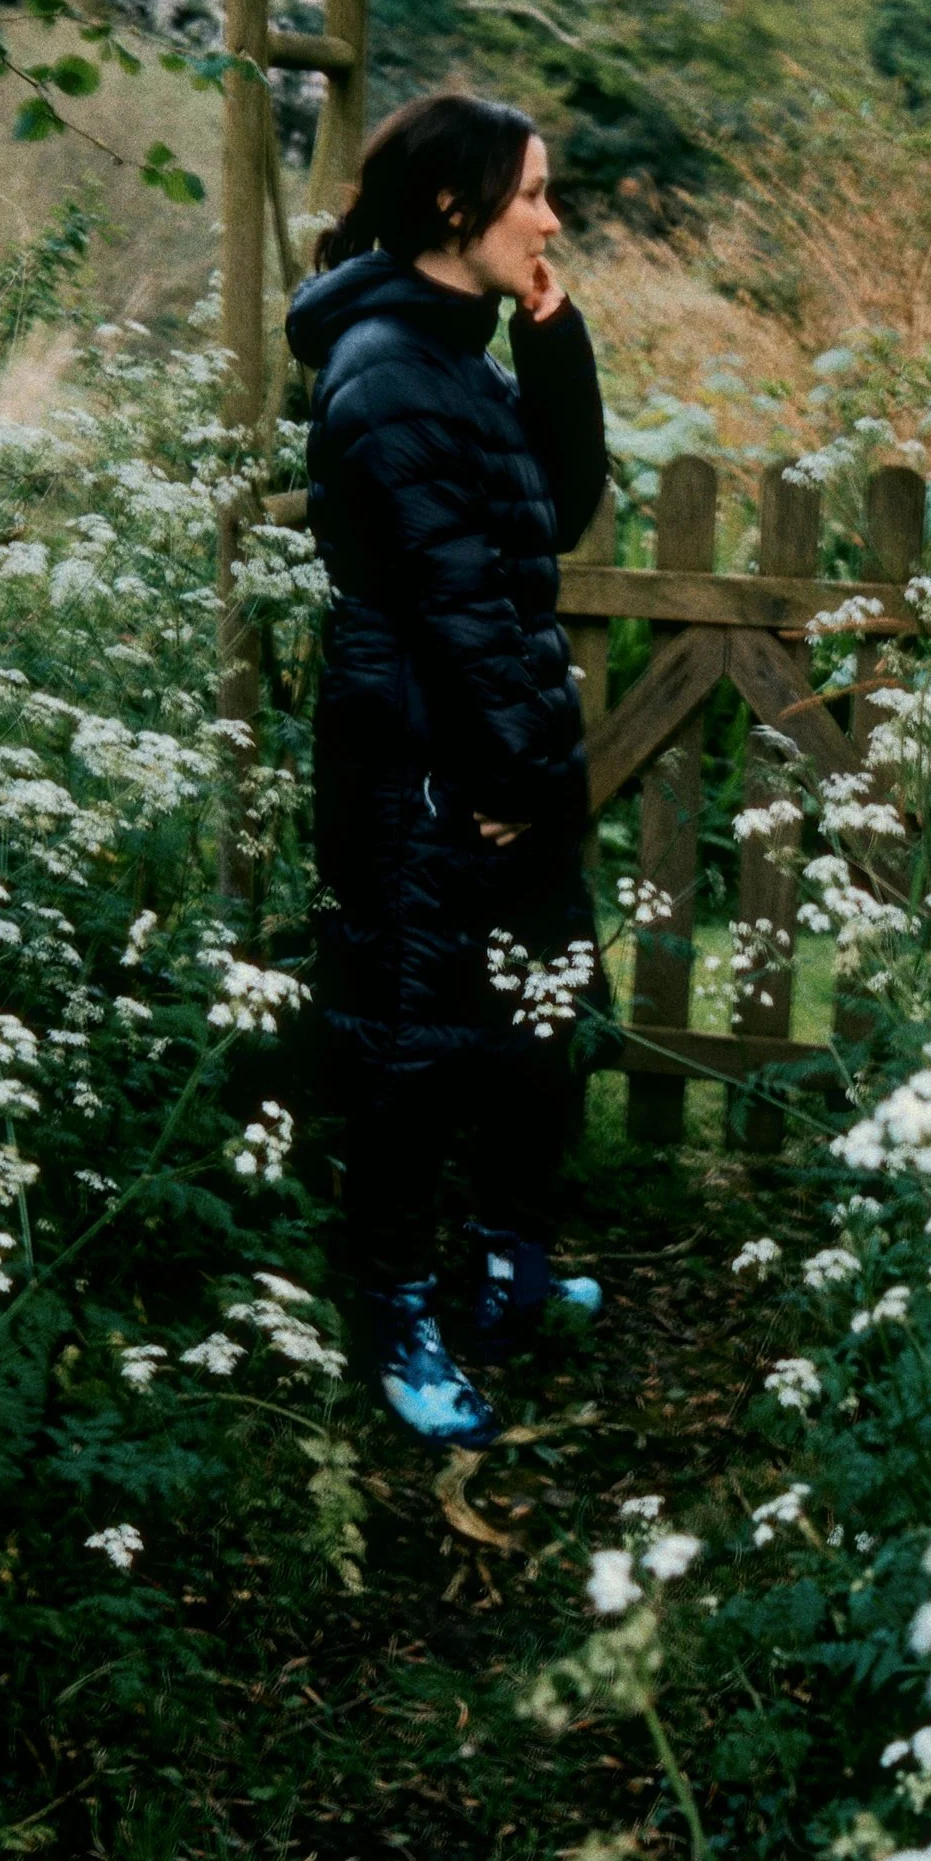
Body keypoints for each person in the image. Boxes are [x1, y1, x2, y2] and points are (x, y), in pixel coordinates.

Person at [286, 92, 610, 1445]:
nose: (548, 217)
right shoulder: (384, 372)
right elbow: (458, 608)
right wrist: (511, 778)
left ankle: (506, 1271)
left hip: (493, 756)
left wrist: (556, 344)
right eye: (530, 192)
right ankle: (398, 1315)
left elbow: (560, 511)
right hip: (426, 771)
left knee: (534, 1028)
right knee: (412, 1055)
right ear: (449, 208)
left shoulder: (460, 358)